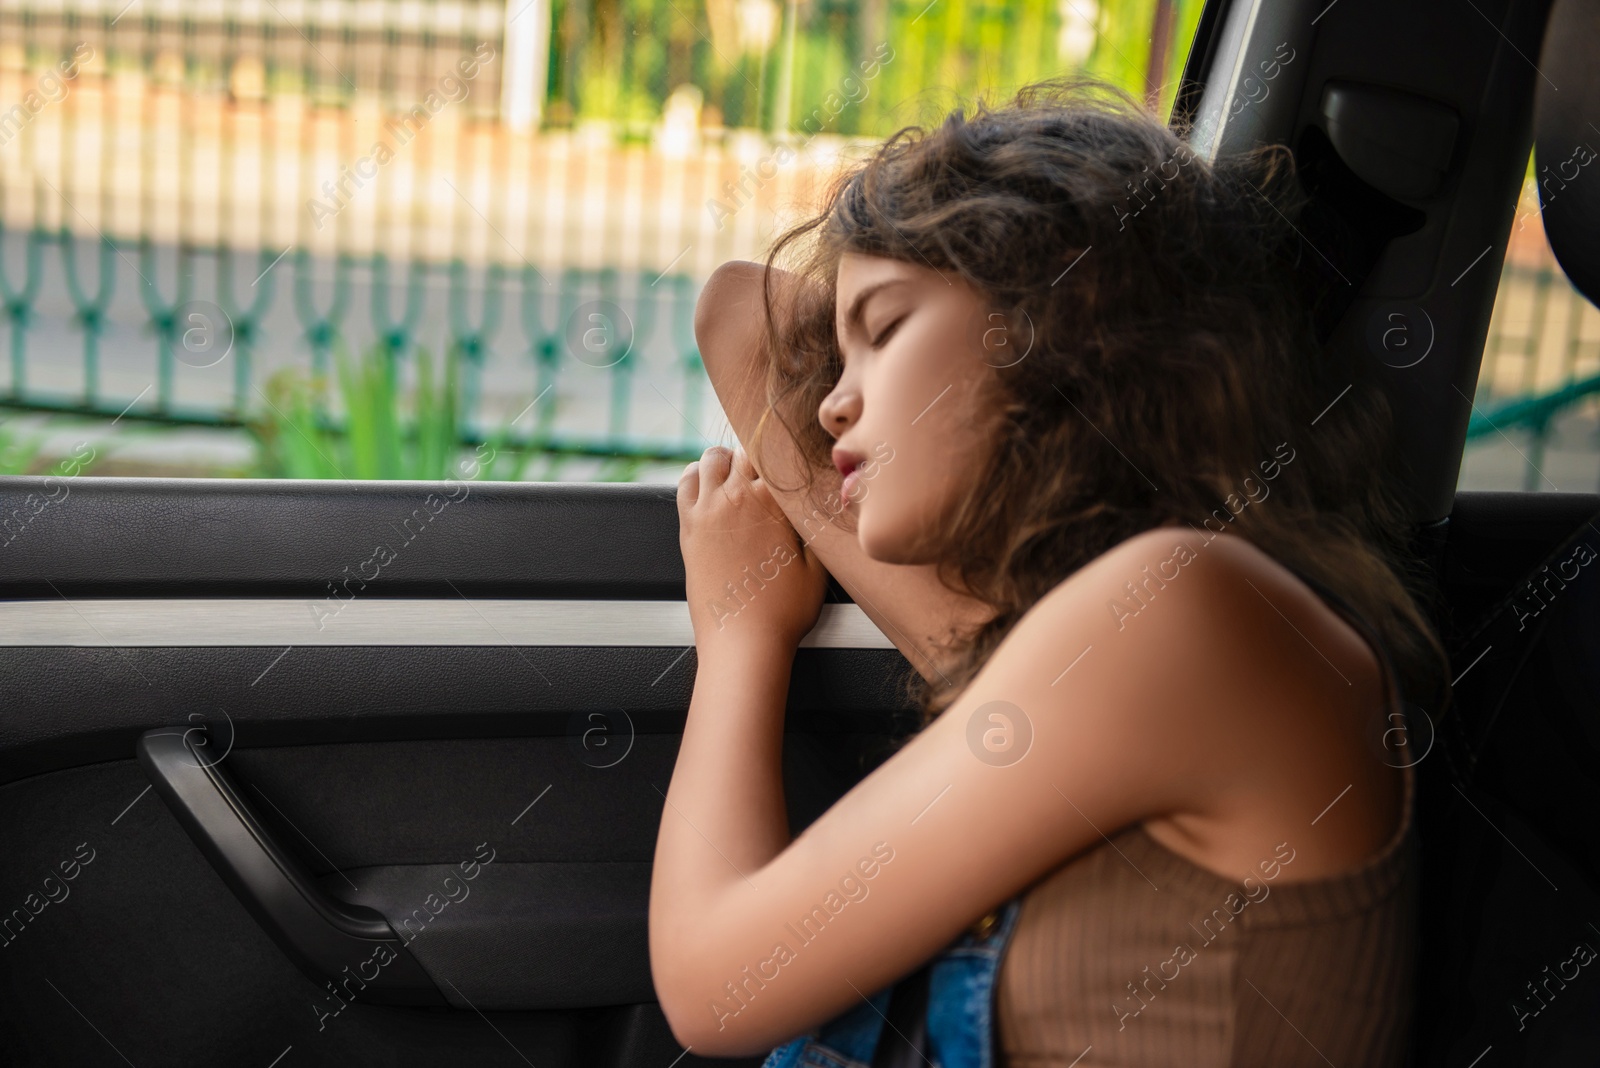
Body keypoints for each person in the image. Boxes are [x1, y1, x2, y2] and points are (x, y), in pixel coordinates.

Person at [648, 78, 1450, 1067]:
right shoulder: (1082, 623)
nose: (830, 406)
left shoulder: (1176, 613)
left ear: (1066, 320)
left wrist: (738, 635)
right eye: (842, 353)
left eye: (886, 330)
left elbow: (713, 986)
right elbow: (741, 310)